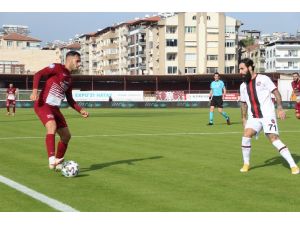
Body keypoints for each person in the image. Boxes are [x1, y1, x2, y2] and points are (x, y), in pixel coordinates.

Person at [239, 58, 299, 174]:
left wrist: (280, 108)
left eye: (242, 69)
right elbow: (243, 103)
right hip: (254, 117)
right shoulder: (243, 86)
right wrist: (244, 118)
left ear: (250, 67)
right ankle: (246, 164)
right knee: (246, 136)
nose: (240, 72)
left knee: (274, 139)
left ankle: (293, 165)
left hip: (267, 115)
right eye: (239, 69)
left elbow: (276, 92)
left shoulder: (263, 79)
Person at [30, 51, 89, 170]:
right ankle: (52, 160)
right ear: (69, 59)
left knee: (66, 136)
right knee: (51, 126)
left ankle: (58, 163)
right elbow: (38, 74)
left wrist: (80, 110)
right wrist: (35, 91)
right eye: (77, 61)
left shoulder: (69, 80)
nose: (79, 64)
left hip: (55, 108)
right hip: (43, 104)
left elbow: (70, 100)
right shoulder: (57, 68)